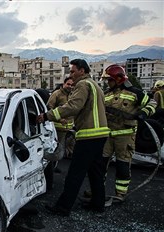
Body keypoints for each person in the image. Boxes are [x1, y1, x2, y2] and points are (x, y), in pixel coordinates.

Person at [36, 59, 110, 216]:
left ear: (82, 71)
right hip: (101, 134)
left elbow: (73, 106)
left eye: (72, 71)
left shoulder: (83, 85)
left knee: (75, 173)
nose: (71, 74)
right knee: (95, 172)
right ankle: (98, 204)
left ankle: (63, 208)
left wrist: (47, 116)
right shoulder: (95, 85)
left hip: (89, 135)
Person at [93, 64, 156, 202]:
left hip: (126, 136)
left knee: (122, 166)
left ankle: (120, 194)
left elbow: (152, 103)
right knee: (100, 165)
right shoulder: (107, 95)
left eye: (110, 80)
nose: (107, 83)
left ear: (118, 79)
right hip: (108, 136)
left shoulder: (135, 93)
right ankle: (97, 191)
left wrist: (144, 113)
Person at [47, 77, 75, 172]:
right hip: (57, 128)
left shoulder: (73, 95)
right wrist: (59, 119)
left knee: (63, 151)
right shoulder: (56, 94)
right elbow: (49, 108)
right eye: (68, 84)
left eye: (72, 85)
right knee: (55, 150)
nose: (70, 86)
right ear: (64, 84)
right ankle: (51, 169)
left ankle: (55, 166)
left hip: (68, 129)